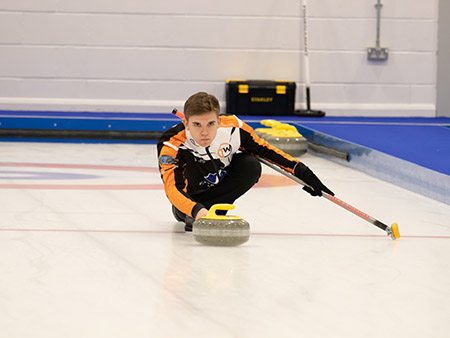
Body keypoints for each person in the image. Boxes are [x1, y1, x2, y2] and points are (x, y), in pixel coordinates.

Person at [157, 92, 334, 231]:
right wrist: (196, 211)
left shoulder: (234, 128)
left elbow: (266, 150)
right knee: (185, 201)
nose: (204, 132)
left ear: (219, 121)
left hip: (219, 188)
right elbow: (172, 188)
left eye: (210, 124)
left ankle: (214, 209)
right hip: (188, 202)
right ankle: (196, 212)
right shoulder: (171, 143)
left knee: (250, 164)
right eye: (197, 125)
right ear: (186, 123)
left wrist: (301, 170)